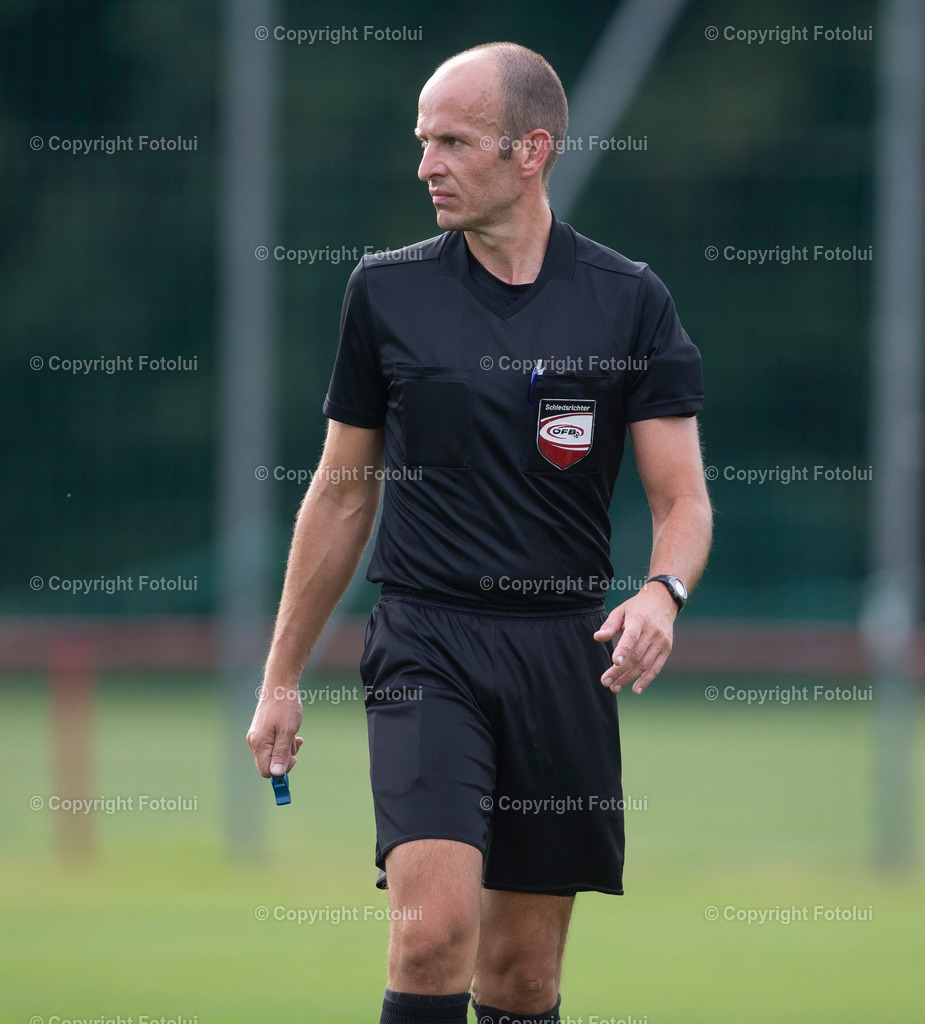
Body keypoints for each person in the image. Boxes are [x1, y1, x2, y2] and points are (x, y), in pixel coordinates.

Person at [246, 41, 712, 1024]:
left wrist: (660, 594)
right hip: (425, 642)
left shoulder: (628, 299)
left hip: (561, 654)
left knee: (522, 977)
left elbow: (683, 502)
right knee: (430, 936)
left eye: (453, 142)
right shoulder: (385, 291)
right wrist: (281, 675)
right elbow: (340, 496)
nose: (427, 165)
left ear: (529, 150)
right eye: (423, 142)